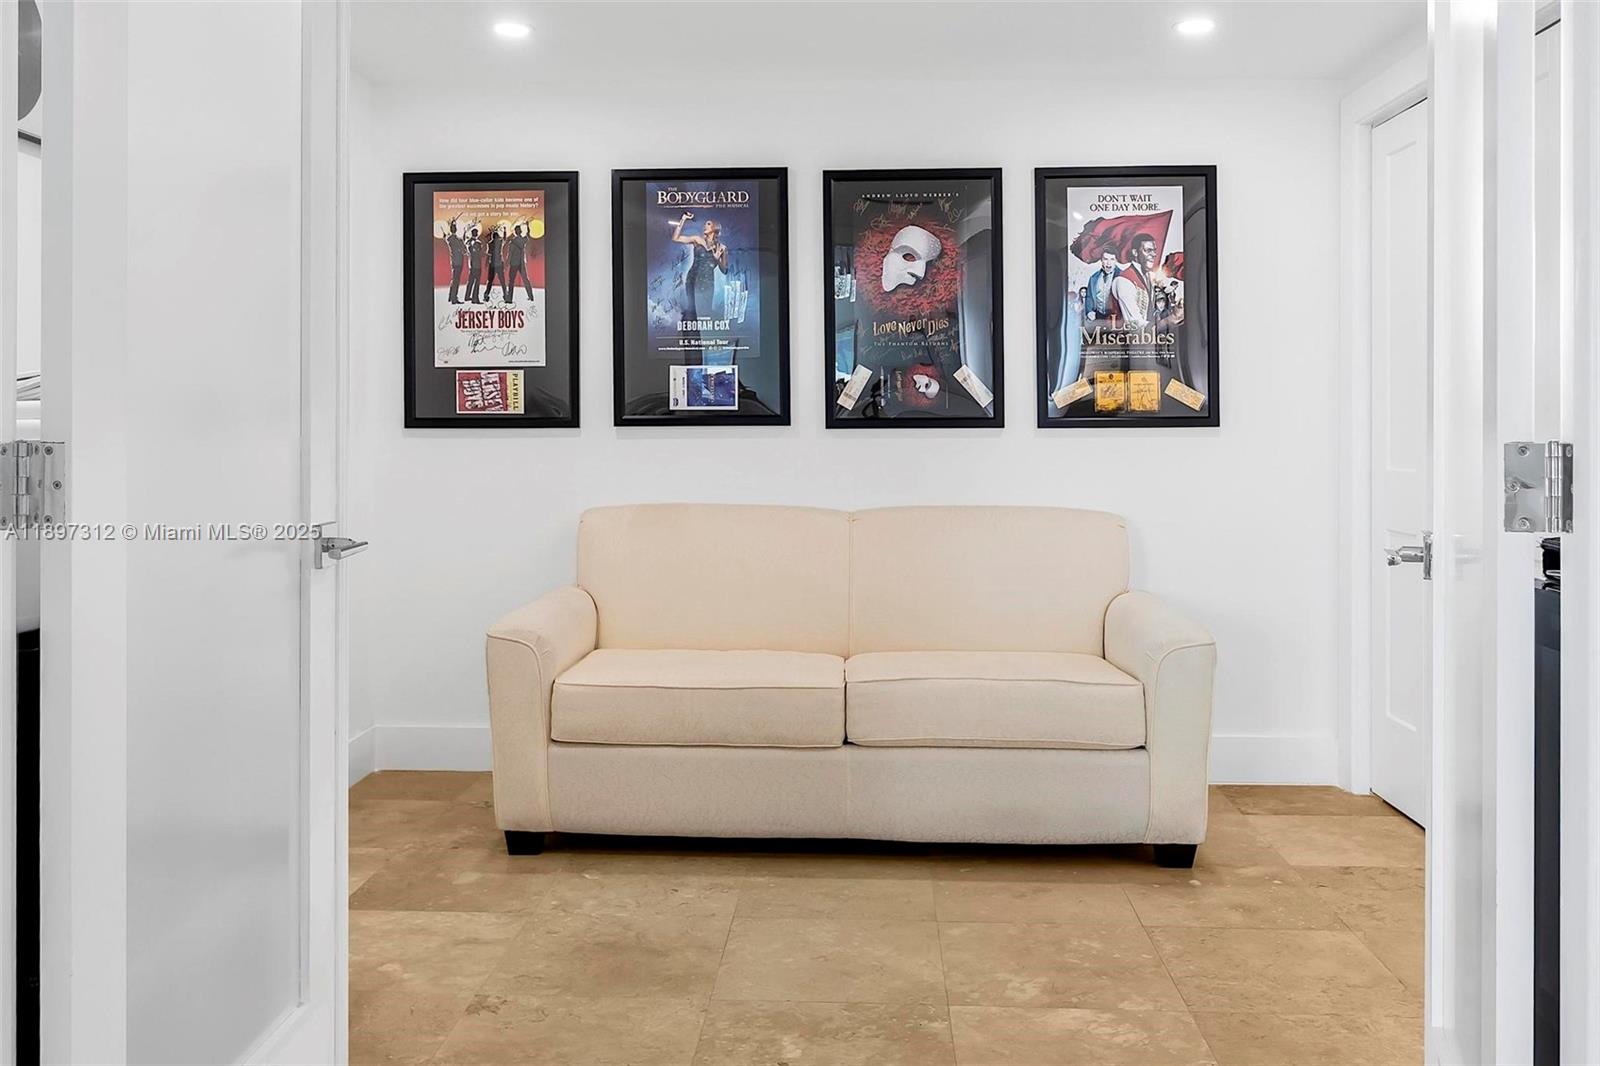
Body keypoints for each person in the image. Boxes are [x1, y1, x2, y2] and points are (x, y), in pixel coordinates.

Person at [670, 211, 729, 321]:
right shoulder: (697, 240)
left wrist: (717, 259)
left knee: (705, 313)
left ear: (715, 227)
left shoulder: (722, 248)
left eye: (708, 224)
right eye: (705, 224)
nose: (704, 226)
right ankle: (690, 336)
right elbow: (675, 238)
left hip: (707, 282)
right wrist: (683, 219)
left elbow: (725, 270)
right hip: (693, 278)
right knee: (692, 311)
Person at [1084, 251, 1120, 322]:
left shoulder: (1122, 276)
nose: (1108, 263)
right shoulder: (1093, 278)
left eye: (1112, 259)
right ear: (1101, 260)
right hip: (1098, 317)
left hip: (1116, 319)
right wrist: (1089, 312)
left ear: (1116, 260)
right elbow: (1089, 297)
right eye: (1106, 259)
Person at [504, 224, 536, 302]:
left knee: (511, 281)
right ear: (521, 231)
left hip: (514, 263)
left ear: (515, 232)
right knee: (525, 280)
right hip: (521, 263)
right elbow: (528, 235)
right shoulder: (523, 240)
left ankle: (509, 299)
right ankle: (531, 296)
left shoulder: (512, 242)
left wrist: (507, 264)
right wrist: (528, 226)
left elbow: (510, 254)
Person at [442, 219, 468, 304]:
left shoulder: (449, 239)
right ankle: (454, 298)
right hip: (458, 262)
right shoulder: (457, 240)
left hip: (454, 261)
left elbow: (446, 237)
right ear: (456, 230)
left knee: (454, 279)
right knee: (456, 280)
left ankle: (451, 297)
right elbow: (463, 250)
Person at [483, 224, 504, 303]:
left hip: (492, 264)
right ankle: (506, 295)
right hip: (498, 264)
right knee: (502, 281)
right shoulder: (499, 242)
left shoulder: (490, 243)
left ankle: (486, 294)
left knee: (490, 281)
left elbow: (489, 254)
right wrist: (504, 231)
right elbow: (504, 238)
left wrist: (486, 263)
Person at [464, 226, 484, 304]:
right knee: (476, 282)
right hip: (477, 265)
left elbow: (465, 241)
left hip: (471, 264)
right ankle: (475, 298)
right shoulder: (478, 243)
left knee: (470, 281)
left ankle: (467, 296)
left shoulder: (468, 242)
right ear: (477, 234)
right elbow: (480, 254)